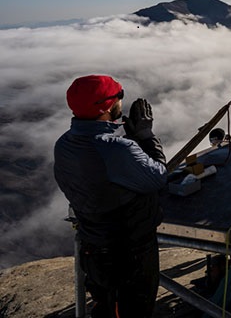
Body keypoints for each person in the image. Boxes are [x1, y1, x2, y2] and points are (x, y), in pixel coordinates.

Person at [53, 75, 168, 318]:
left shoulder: (63, 145)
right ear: (106, 107)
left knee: (106, 308)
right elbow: (157, 177)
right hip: (130, 253)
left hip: (94, 249)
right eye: (119, 96)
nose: (120, 101)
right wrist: (145, 138)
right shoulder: (116, 149)